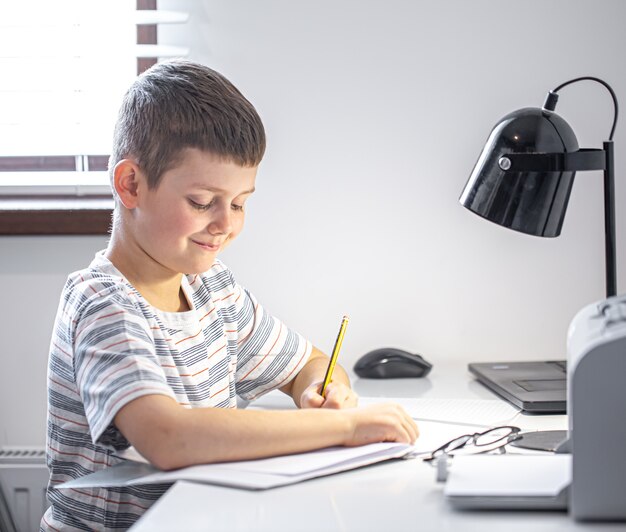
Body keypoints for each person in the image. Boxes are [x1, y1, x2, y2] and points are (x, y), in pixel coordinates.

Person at [41, 59, 418, 531]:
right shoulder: (103, 303)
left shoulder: (214, 290)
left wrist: (324, 394)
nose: (227, 224)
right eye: (202, 202)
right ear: (131, 184)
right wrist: (342, 428)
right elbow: (168, 437)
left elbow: (309, 364)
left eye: (240, 202)